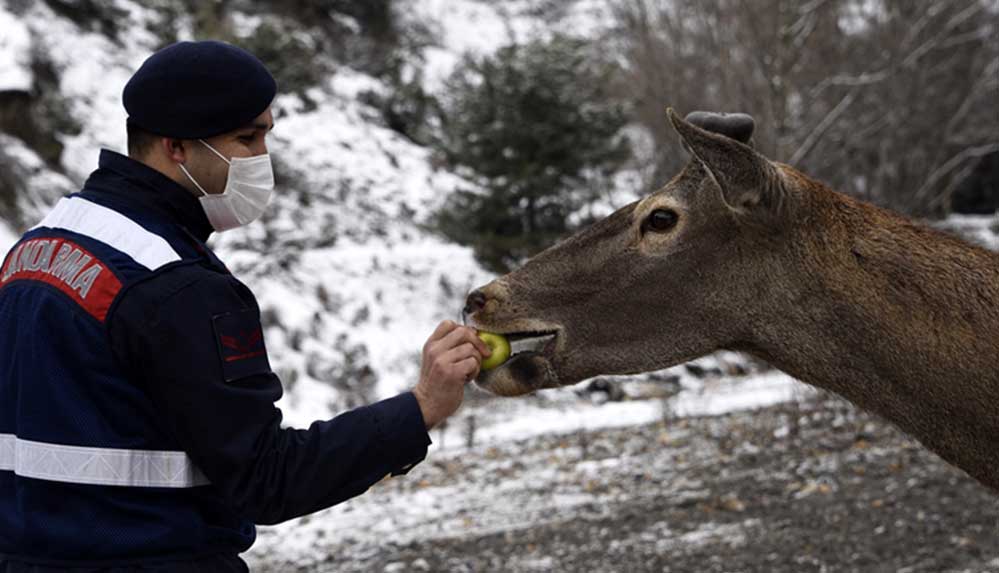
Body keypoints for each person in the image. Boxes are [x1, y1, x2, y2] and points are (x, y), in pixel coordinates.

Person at [0, 40, 490, 571]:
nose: (262, 159)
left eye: (265, 136)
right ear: (178, 147)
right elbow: (267, 478)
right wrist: (420, 408)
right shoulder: (176, 286)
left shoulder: (39, 246)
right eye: (246, 138)